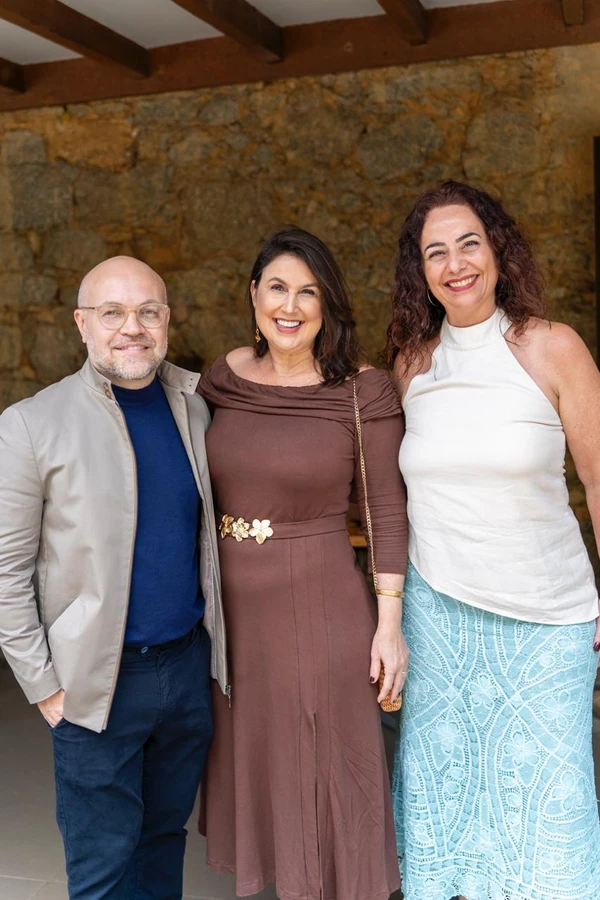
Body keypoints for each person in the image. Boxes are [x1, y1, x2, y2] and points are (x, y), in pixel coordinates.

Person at [387, 180, 600, 900]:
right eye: (435, 252)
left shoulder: (552, 348)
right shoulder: (413, 366)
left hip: (546, 622)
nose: (455, 264)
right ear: (420, 272)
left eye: (468, 243)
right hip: (440, 619)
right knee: (449, 799)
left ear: (498, 250)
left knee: (545, 804)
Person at [0, 256, 228, 900]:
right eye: (112, 313)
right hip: (93, 683)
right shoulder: (29, 426)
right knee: (101, 869)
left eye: (148, 311)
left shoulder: (194, 406)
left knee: (163, 845)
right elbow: (5, 572)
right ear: (82, 324)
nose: (133, 328)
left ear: (166, 319)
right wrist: (44, 686)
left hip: (183, 673)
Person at [196, 226, 408, 900]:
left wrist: (389, 624)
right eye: (278, 287)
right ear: (253, 294)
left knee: (326, 769)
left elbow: (387, 512)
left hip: (321, 602)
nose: (291, 306)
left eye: (308, 292)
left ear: (328, 305)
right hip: (233, 611)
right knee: (261, 763)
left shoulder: (361, 390)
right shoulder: (220, 378)